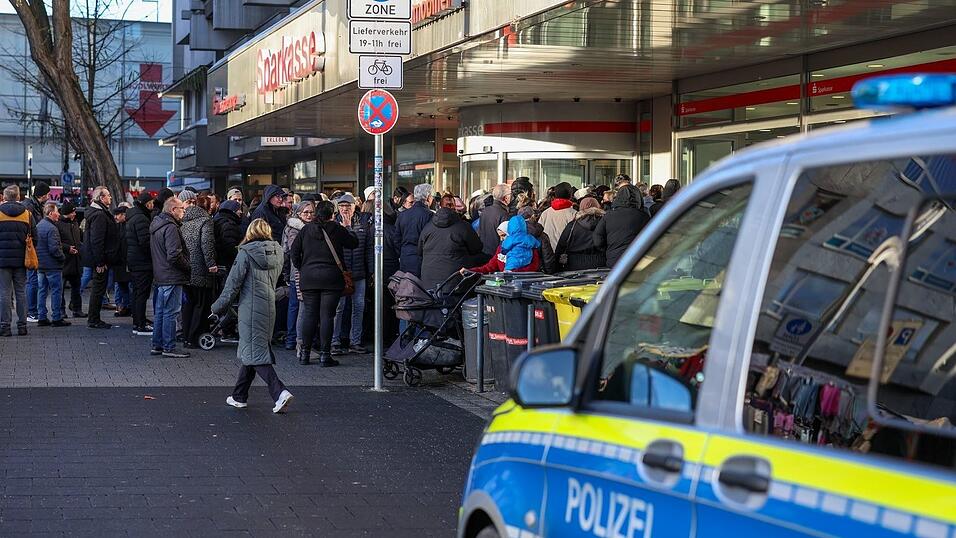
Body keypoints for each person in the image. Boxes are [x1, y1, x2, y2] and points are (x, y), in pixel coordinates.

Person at [213, 218, 294, 413]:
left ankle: (279, 392)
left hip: (250, 308)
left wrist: (216, 308)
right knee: (252, 349)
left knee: (255, 353)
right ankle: (239, 396)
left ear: (249, 232)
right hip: (269, 306)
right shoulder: (278, 252)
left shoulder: (245, 253)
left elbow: (232, 285)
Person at [291, 200, 358, 366]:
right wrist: (348, 225)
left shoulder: (306, 230)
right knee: (327, 316)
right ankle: (324, 355)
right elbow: (353, 243)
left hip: (309, 278)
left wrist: (303, 267)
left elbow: (293, 253)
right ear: (332, 214)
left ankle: (305, 354)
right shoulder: (337, 229)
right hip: (331, 278)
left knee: (309, 315)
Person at [149, 196, 191, 358]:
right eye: (182, 208)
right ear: (173, 210)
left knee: (160, 312)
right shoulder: (171, 227)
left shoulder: (157, 225)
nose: (184, 211)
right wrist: (187, 266)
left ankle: (158, 345)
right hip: (171, 275)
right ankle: (169, 346)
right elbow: (174, 255)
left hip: (161, 274)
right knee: (170, 312)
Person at [419, 196, 483, 291]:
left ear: (439, 207)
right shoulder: (463, 227)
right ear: (454, 208)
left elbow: (420, 251)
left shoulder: (427, 228)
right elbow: (477, 248)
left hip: (429, 281)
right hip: (455, 281)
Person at [331, 194, 368, 355]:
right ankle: (334, 341)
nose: (345, 209)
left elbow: (368, 247)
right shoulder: (333, 223)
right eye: (342, 206)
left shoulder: (364, 223)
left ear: (355, 207)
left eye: (348, 206)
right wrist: (345, 227)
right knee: (338, 308)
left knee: (358, 307)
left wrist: (371, 270)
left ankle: (355, 341)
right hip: (340, 273)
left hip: (359, 272)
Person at [180, 194, 218, 349]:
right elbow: (207, 244)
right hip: (201, 270)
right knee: (201, 305)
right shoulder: (206, 221)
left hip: (186, 269)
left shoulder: (184, 221)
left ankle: (186, 336)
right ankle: (195, 336)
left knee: (188, 305)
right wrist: (211, 264)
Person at [81, 186, 122, 330]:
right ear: (101, 198)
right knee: (98, 289)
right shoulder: (99, 215)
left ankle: (94, 318)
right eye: (108, 195)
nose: (110, 198)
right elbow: (97, 240)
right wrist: (100, 261)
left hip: (100, 258)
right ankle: (94, 319)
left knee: (98, 289)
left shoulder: (98, 213)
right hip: (99, 260)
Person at [0, 185, 34, 336]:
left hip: (2, 261)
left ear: (5, 197)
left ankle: (5, 326)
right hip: (22, 260)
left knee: (4, 294)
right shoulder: (27, 214)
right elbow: (35, 238)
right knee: (21, 293)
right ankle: (22, 326)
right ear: (19, 197)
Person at [281, 201, 313, 351]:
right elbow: (292, 252)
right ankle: (292, 338)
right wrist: (287, 273)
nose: (309, 215)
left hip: (303, 271)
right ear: (299, 214)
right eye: (305, 212)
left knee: (296, 306)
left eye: (311, 212)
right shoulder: (295, 229)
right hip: (298, 272)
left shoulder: (306, 228)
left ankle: (293, 338)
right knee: (295, 306)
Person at [594, 184, 650, 268]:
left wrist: (609, 249)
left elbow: (597, 239)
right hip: (638, 260)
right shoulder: (644, 216)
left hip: (615, 260)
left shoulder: (609, 216)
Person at [465, 216, 541, 275]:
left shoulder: (529, 248)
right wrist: (470, 271)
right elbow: (489, 267)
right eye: (500, 236)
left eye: (504, 235)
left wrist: (511, 273)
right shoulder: (501, 249)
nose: (501, 239)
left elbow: (533, 268)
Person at [36, 202, 69, 327]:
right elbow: (54, 249)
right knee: (56, 291)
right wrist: (62, 258)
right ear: (51, 213)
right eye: (57, 211)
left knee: (42, 291)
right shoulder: (52, 228)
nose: (59, 214)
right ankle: (56, 317)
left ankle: (42, 316)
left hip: (41, 265)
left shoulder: (39, 226)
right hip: (52, 266)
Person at [125, 191, 154, 334]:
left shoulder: (133, 216)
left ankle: (138, 322)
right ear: (146, 203)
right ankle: (140, 324)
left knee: (137, 293)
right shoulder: (141, 218)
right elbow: (145, 242)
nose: (153, 205)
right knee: (142, 293)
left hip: (134, 260)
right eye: (151, 202)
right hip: (142, 262)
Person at [554, 197, 606, 272]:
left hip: (574, 265)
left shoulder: (572, 225)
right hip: (600, 263)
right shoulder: (605, 224)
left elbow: (561, 246)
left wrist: (556, 267)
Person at [23, 181, 50, 323]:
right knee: (32, 280)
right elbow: (31, 228)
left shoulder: (33, 205)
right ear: (43, 195)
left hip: (32, 247)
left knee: (32, 280)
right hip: (30, 248)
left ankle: (31, 311)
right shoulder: (31, 207)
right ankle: (31, 312)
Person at [394, 183, 433, 278]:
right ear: (427, 197)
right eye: (431, 196)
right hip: (422, 259)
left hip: (405, 257)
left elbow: (396, 239)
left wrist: (402, 252)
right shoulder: (429, 215)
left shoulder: (402, 215)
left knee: (407, 288)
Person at [55, 201, 84, 318]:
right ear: (67, 213)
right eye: (73, 212)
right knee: (60, 289)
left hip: (76, 261)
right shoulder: (58, 225)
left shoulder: (75, 223)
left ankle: (77, 309)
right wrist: (67, 248)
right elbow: (56, 242)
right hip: (64, 261)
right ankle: (61, 311)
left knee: (76, 288)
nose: (75, 214)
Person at [537, 182, 577, 251]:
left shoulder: (545, 213)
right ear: (570, 195)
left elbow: (538, 233)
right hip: (565, 254)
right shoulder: (574, 214)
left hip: (547, 253)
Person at [477, 184, 511, 258]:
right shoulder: (503, 214)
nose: (511, 197)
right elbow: (505, 239)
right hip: (496, 255)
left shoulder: (485, 211)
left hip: (484, 252)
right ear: (505, 197)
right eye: (510, 194)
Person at [521, 207, 557, 274]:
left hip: (517, 272)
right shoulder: (541, 235)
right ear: (533, 216)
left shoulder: (513, 233)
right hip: (537, 273)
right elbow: (548, 258)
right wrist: (550, 273)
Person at [112, 206, 132, 317]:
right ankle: (127, 306)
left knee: (127, 285)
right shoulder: (119, 226)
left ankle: (129, 306)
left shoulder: (127, 226)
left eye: (118, 215)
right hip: (120, 261)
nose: (116, 217)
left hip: (125, 260)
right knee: (122, 285)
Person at [213, 200, 243, 269]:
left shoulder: (219, 221)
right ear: (233, 211)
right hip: (228, 264)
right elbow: (230, 247)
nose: (241, 212)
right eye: (238, 209)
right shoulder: (229, 225)